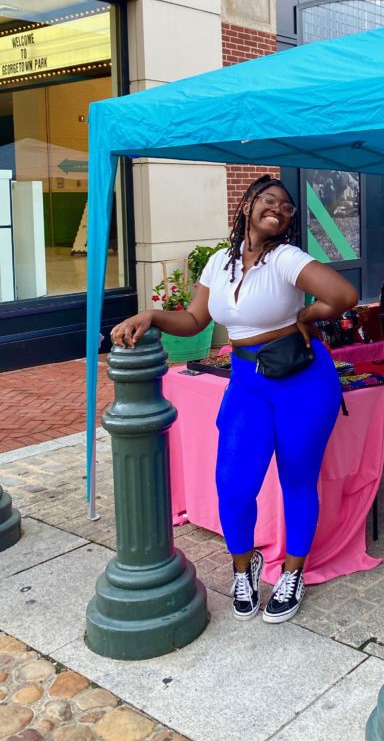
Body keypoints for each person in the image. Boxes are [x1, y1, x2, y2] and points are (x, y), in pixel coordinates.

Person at [111, 176, 358, 624]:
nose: (279, 209)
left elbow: (343, 296)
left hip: (301, 381)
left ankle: (293, 572)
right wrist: (151, 315)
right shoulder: (219, 264)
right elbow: (192, 319)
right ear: (247, 205)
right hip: (247, 382)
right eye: (269, 200)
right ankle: (244, 568)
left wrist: (306, 313)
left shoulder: (287, 258)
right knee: (235, 484)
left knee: (298, 481)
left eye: (287, 206)